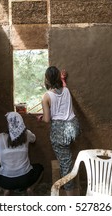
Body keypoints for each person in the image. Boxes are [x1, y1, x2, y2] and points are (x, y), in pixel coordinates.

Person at [40, 66, 80, 195]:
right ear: (58, 78)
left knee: (65, 165)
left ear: (46, 79)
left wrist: (41, 117)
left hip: (60, 132)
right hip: (73, 128)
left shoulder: (46, 97)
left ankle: (69, 198)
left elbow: (47, 119)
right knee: (67, 157)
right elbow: (62, 90)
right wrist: (63, 79)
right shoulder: (67, 90)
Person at [0, 112, 43, 196]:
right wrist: (25, 130)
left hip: (6, 180)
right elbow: (34, 139)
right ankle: (30, 188)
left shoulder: (0, 137)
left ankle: (6, 189)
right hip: (26, 178)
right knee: (40, 168)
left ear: (8, 124)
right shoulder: (27, 134)